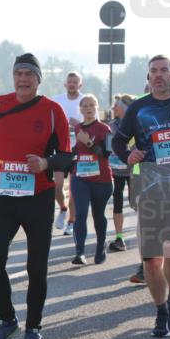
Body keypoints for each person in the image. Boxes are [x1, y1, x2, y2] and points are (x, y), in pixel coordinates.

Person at [0, 54, 73, 339]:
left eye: (30, 73)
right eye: (18, 73)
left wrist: (45, 162)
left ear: (38, 79)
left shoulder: (53, 110)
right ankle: (7, 320)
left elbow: (67, 157)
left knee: (36, 267)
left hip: (38, 196)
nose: (23, 78)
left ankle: (34, 328)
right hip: (2, 193)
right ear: (13, 77)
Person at [112, 55, 170, 337]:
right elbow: (117, 140)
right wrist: (129, 154)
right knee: (151, 258)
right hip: (149, 187)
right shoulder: (138, 108)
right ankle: (161, 310)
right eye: (153, 72)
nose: (159, 75)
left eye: (164, 70)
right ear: (148, 78)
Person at [69, 95, 113, 265]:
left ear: (96, 108)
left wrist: (87, 142)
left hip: (101, 180)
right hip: (80, 178)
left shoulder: (105, 129)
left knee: (98, 215)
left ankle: (101, 246)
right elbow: (75, 150)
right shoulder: (78, 128)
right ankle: (79, 252)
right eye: (85, 105)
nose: (88, 108)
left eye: (92, 105)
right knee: (80, 214)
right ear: (80, 109)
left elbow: (106, 153)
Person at [54, 72, 84, 235]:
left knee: (74, 187)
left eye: (75, 82)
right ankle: (63, 208)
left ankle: (72, 222)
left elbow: (92, 123)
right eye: (69, 82)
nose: (72, 84)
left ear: (80, 84)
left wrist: (78, 124)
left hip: (78, 149)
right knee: (57, 185)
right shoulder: (57, 100)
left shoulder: (85, 101)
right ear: (65, 84)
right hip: (60, 148)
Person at [107, 94, 135, 252]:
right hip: (117, 170)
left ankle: (145, 236)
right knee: (117, 203)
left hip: (134, 169)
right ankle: (119, 238)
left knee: (137, 204)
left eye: (116, 104)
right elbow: (108, 147)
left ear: (125, 106)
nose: (113, 107)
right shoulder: (111, 124)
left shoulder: (136, 123)